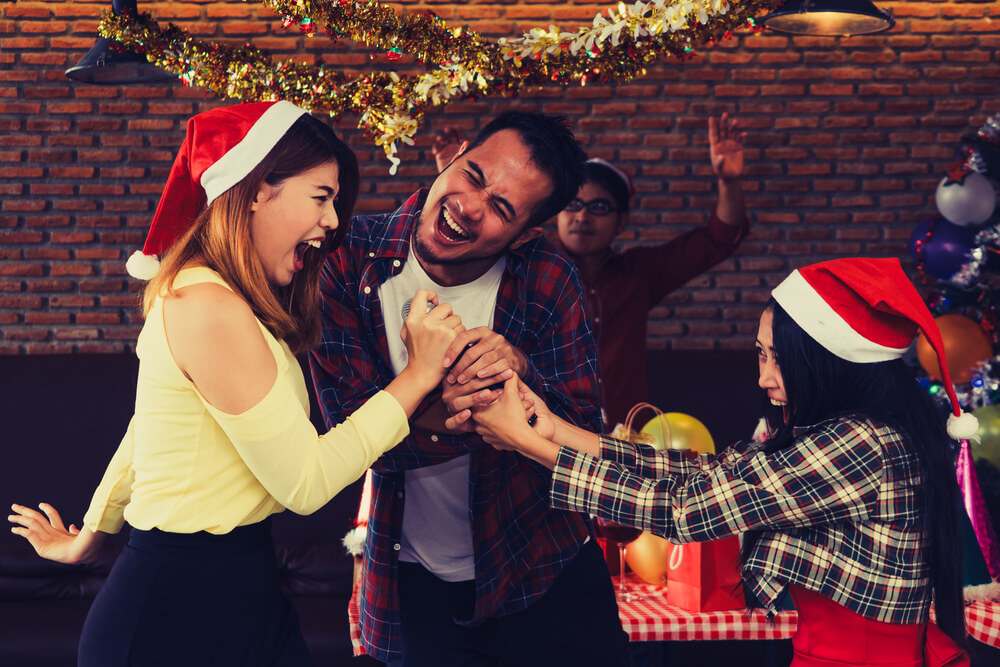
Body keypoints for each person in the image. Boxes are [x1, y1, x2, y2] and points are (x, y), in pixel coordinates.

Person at [8, 101, 464, 667]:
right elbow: (305, 483)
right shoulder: (207, 306)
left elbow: (144, 431)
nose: (331, 222)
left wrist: (91, 533)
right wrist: (419, 376)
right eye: (321, 197)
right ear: (253, 190)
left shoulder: (213, 297)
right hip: (172, 614)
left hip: (239, 586)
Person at [464, 257, 975, 667]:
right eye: (760, 354)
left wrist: (531, 446)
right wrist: (559, 432)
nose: (764, 378)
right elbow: (708, 473)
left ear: (829, 365)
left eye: (779, 360)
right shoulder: (845, 433)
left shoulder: (862, 444)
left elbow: (689, 510)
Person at [310, 110, 631, 666]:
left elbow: (584, 427)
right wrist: (472, 409)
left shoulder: (549, 278)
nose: (470, 205)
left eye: (502, 208)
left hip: (542, 561)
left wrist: (520, 370)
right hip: (414, 576)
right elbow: (349, 433)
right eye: (473, 175)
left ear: (525, 232)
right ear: (453, 159)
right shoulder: (348, 260)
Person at [432, 114, 749, 426]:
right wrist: (456, 182)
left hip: (626, 436)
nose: (582, 217)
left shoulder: (638, 273)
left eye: (599, 207)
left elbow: (718, 239)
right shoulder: (530, 269)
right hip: (545, 433)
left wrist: (729, 181)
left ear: (621, 221)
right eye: (573, 205)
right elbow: (471, 257)